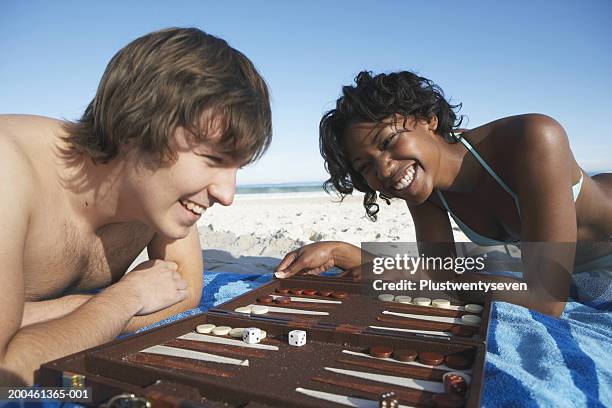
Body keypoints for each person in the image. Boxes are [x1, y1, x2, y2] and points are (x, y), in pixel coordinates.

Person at [0, 27, 272, 385]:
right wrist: (122, 300)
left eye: (237, 167)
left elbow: (185, 292)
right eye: (213, 159)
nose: (227, 195)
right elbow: (7, 375)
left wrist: (31, 318)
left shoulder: (158, 199)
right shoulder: (10, 166)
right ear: (136, 126)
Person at [276, 70, 612, 316]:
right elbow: (440, 273)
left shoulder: (534, 138)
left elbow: (547, 299)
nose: (385, 170)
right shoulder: (425, 185)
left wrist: (412, 274)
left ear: (428, 119)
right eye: (365, 167)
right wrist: (340, 252)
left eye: (389, 141)